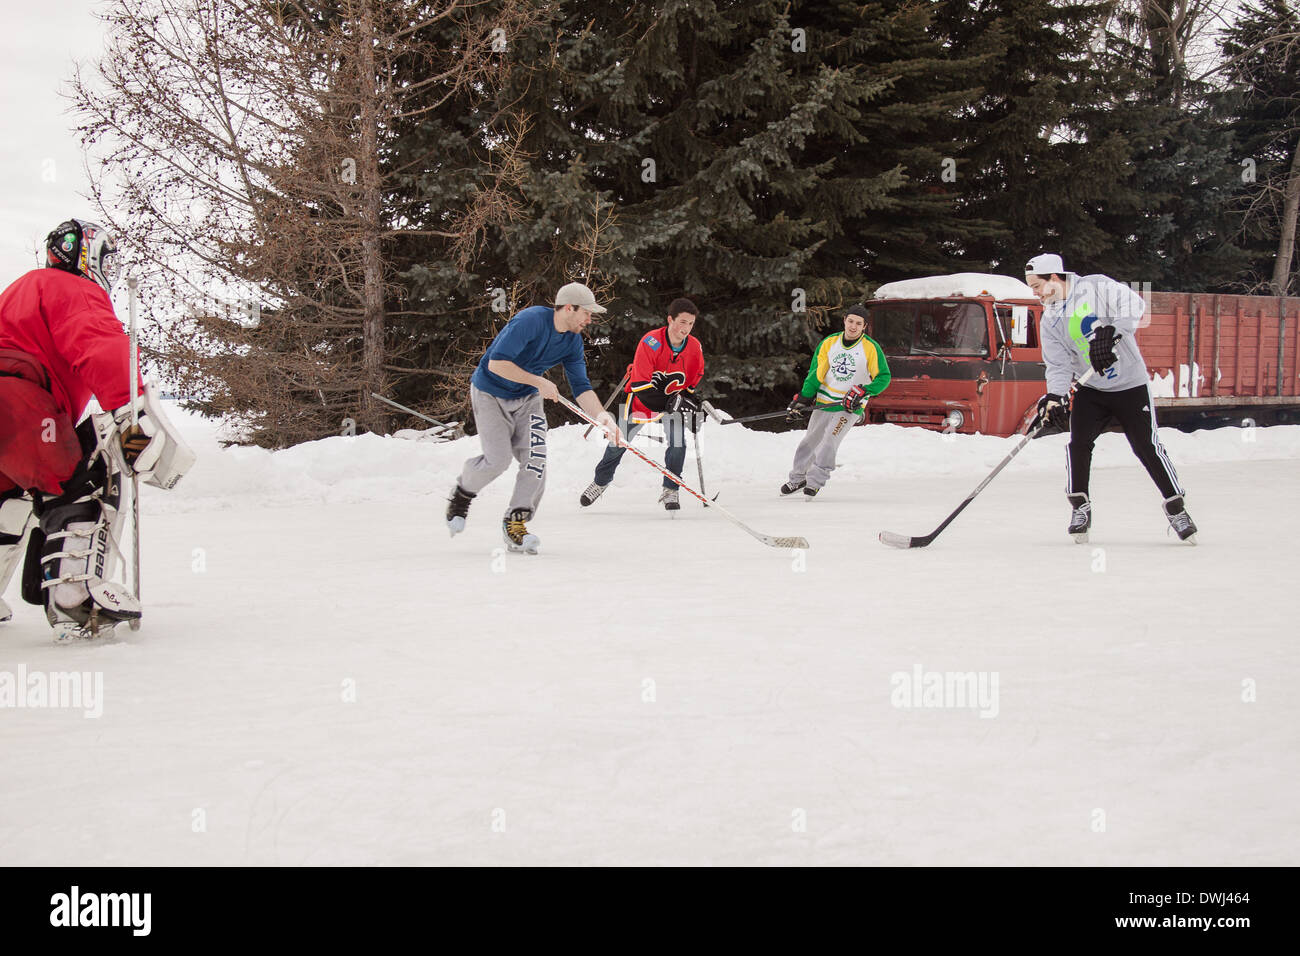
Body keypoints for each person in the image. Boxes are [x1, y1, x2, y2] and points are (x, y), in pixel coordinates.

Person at [0, 218, 195, 641]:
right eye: (106, 257)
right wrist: (131, 411)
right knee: (77, 482)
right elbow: (100, 345)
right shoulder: (72, 289)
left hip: (10, 413)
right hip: (20, 400)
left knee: (9, 498)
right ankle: (75, 597)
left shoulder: (17, 291)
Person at [1024, 253, 1196, 543]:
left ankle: (1177, 509)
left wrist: (1111, 331)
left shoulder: (1096, 287)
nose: (1035, 293)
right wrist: (1054, 396)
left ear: (1055, 278)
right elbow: (1058, 364)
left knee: (1146, 447)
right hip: (1092, 390)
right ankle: (1080, 507)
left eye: (1037, 285)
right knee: (1078, 444)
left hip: (1130, 385)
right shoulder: (1050, 320)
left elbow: (1134, 305)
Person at [446, 282, 617, 553]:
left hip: (527, 400)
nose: (590, 319)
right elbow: (496, 364)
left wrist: (602, 417)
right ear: (569, 308)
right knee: (497, 460)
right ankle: (462, 494)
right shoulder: (530, 321)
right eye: (586, 312)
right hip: (490, 393)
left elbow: (581, 387)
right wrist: (538, 381)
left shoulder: (572, 341)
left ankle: (516, 522)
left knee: (536, 460)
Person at [579, 298, 705, 511]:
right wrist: (669, 404)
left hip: (671, 402)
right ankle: (600, 482)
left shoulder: (694, 347)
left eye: (691, 324)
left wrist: (690, 405)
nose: (686, 329)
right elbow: (640, 385)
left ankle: (670, 489)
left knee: (678, 444)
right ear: (670, 320)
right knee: (617, 443)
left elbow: (692, 380)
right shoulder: (651, 342)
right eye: (682, 322)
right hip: (639, 400)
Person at [781, 304, 891, 497]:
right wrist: (804, 398)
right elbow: (816, 373)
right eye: (850, 321)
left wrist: (864, 390)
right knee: (810, 441)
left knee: (830, 442)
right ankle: (797, 479)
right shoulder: (829, 342)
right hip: (825, 401)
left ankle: (815, 481)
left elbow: (883, 377)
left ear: (864, 326)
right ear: (844, 321)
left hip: (849, 406)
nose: (853, 326)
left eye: (859, 323)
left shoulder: (871, 348)